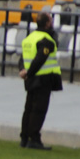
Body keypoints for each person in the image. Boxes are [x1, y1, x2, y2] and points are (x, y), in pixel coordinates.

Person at [19, 12, 63, 150]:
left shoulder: (30, 38)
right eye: (50, 21)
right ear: (47, 23)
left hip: (30, 79)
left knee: (28, 109)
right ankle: (34, 139)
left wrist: (24, 71)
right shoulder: (46, 39)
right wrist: (30, 72)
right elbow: (40, 59)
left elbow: (22, 58)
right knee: (38, 110)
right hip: (42, 78)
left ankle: (24, 138)